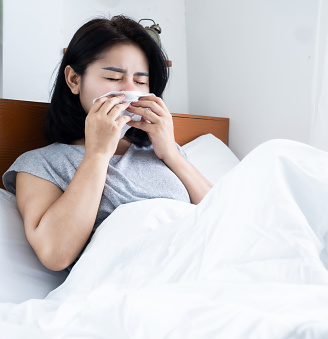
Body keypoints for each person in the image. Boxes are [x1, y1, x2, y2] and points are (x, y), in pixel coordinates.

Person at [2, 15, 212, 271]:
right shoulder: (40, 164)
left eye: (140, 81)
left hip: (198, 264)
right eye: (113, 78)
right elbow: (55, 253)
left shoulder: (165, 153)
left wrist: (171, 153)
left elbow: (226, 216)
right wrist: (98, 154)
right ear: (74, 80)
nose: (128, 90)